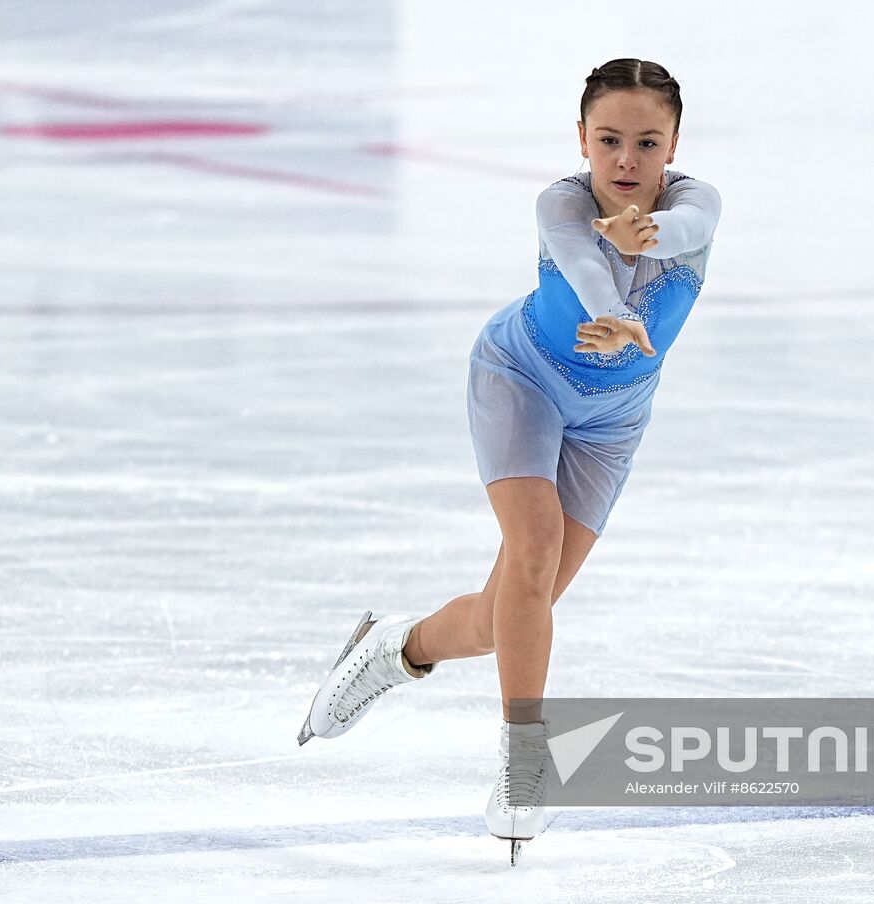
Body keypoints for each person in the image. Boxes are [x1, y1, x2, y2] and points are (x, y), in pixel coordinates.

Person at [298, 58, 721, 862]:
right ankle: (525, 764)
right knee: (532, 560)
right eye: (608, 141)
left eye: (646, 142)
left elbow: (690, 229)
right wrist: (612, 310)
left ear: (673, 145)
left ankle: (395, 648)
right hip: (519, 379)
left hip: (613, 421)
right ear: (582, 140)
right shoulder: (559, 203)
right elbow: (588, 267)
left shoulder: (695, 203)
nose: (626, 161)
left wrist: (647, 231)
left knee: (509, 618)